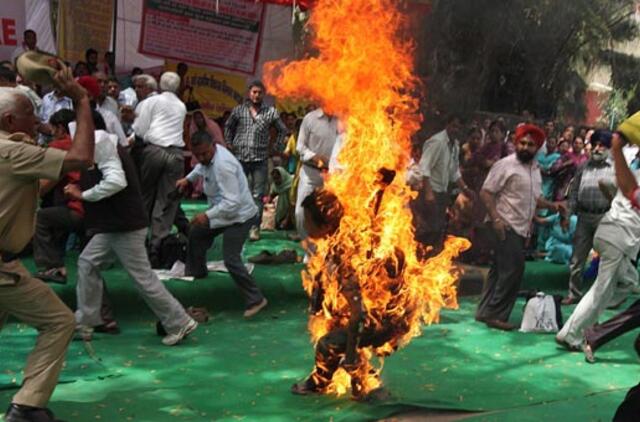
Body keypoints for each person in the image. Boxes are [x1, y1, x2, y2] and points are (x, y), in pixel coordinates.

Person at [0, 67, 95, 422]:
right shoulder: (12, 152)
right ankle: (26, 406)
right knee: (59, 322)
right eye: (30, 114)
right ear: (11, 120)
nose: (38, 119)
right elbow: (83, 157)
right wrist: (82, 99)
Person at [65, 111, 197, 345]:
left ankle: (179, 321)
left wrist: (82, 194)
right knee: (87, 263)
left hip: (124, 225)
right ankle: (86, 321)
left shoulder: (102, 143)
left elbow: (116, 181)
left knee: (142, 278)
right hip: (115, 225)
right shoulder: (101, 144)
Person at [556, 131, 640, 351]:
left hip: (606, 232)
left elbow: (607, 183)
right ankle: (570, 334)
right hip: (618, 239)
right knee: (599, 292)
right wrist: (616, 148)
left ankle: (591, 319)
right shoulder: (633, 179)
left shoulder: (634, 175)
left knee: (630, 282)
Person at [475, 124, 564, 331]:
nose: (525, 147)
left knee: (499, 269)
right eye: (522, 143)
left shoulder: (535, 170)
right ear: (516, 143)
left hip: (521, 227)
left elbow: (535, 198)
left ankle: (484, 311)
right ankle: (496, 315)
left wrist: (554, 206)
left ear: (537, 148)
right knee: (514, 270)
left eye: (530, 145)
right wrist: (496, 219)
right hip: (504, 224)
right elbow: (486, 192)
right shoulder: (505, 165)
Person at [177, 131, 268, 318]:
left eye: (204, 154)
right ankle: (197, 271)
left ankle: (256, 299)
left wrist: (207, 215)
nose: (201, 158)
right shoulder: (208, 158)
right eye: (198, 155)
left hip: (240, 216)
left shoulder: (223, 166)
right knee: (197, 232)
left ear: (213, 145)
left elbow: (232, 203)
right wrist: (188, 179)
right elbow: (200, 169)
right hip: (222, 212)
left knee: (231, 259)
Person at [132, 72, 187, 267]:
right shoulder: (181, 106)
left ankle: (137, 244)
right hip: (175, 154)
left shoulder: (152, 102)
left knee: (145, 197)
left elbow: (138, 129)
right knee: (166, 201)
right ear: (178, 87)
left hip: (153, 150)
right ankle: (157, 244)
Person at [224, 81, 288, 241]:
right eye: (254, 92)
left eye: (259, 92)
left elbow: (283, 130)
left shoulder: (270, 112)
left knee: (257, 196)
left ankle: (254, 228)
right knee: (239, 193)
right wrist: (229, 143)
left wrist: (276, 148)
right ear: (249, 93)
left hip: (260, 159)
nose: (256, 95)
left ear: (263, 94)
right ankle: (238, 226)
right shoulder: (239, 110)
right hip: (240, 158)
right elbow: (228, 127)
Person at [562, 130, 615, 305]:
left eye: (602, 145)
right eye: (595, 145)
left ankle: (602, 298)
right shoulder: (583, 167)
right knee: (577, 258)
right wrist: (568, 215)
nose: (598, 149)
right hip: (584, 217)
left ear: (608, 148)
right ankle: (574, 294)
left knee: (607, 260)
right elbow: (574, 192)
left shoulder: (614, 168)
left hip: (605, 217)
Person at [32, 109, 84, 284]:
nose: (51, 134)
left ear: (61, 128)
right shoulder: (84, 143)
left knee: (40, 217)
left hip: (78, 208)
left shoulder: (60, 146)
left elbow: (44, 186)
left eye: (52, 129)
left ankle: (52, 267)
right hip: (98, 206)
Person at [416, 114, 473, 255]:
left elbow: (454, 171)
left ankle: (429, 262)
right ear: (447, 124)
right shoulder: (437, 142)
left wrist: (465, 189)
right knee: (426, 229)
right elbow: (424, 168)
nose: (456, 129)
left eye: (459, 127)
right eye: (454, 126)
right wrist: (429, 193)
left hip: (442, 192)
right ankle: (418, 259)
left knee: (438, 228)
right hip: (429, 192)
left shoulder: (455, 145)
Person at [294, 107, 338, 242]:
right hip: (311, 173)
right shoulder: (310, 119)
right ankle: (310, 251)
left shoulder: (344, 120)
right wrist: (315, 157)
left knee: (331, 217)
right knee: (301, 213)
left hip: (334, 176)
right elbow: (300, 147)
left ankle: (326, 253)